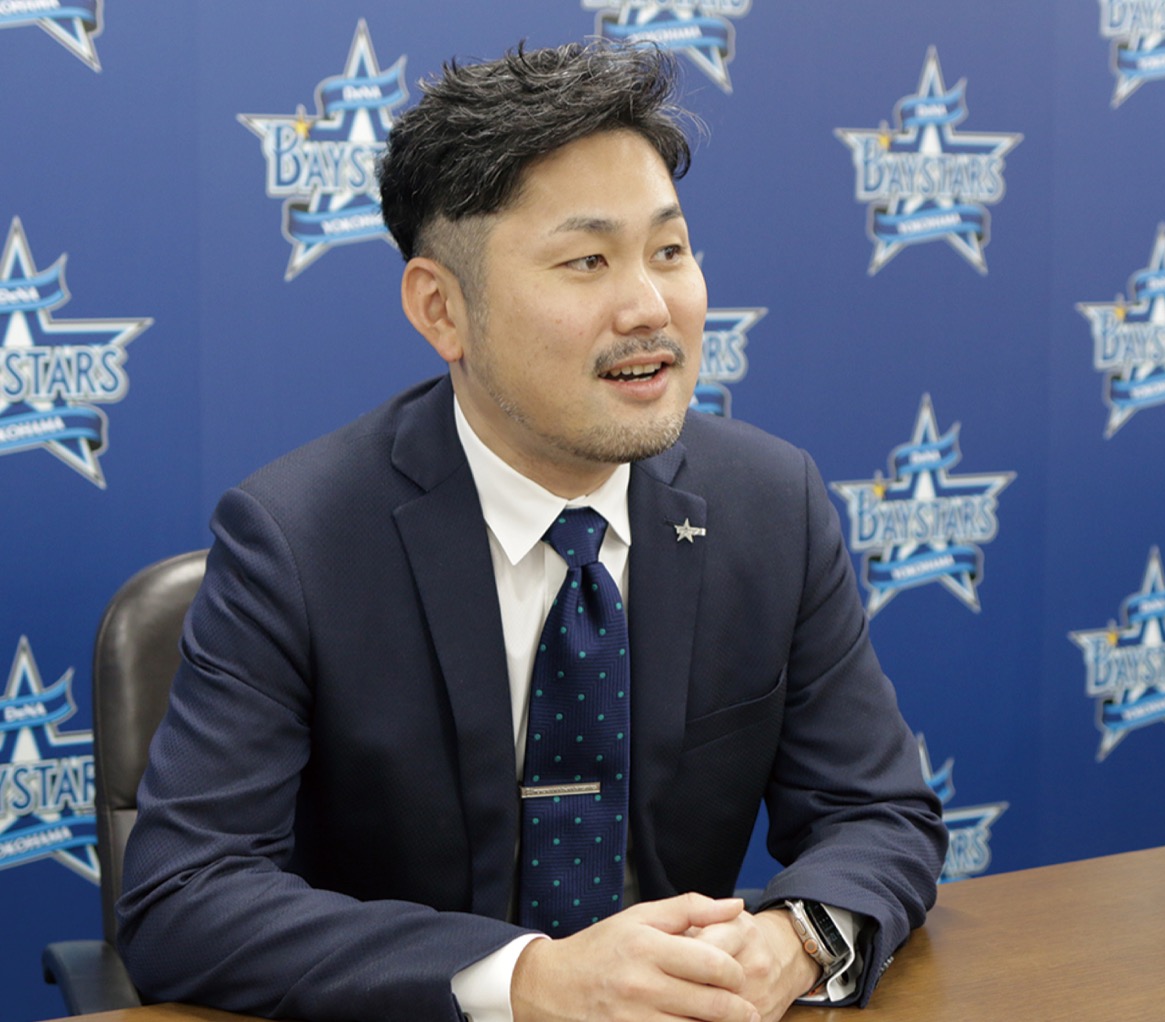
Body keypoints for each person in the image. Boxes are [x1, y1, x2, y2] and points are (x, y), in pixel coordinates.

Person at [116, 41, 946, 1022]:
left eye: (669, 251)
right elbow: (185, 895)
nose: (649, 307)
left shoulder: (770, 504)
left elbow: (879, 812)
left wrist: (789, 943)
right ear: (442, 309)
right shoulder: (296, 543)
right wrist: (528, 978)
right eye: (586, 261)